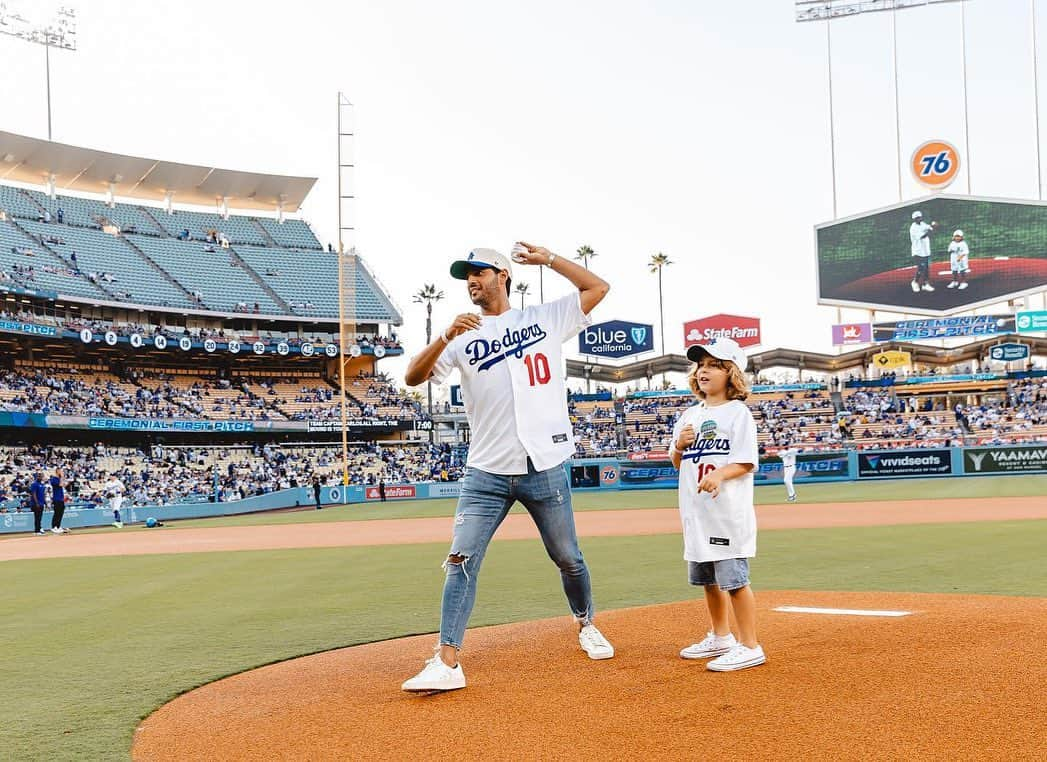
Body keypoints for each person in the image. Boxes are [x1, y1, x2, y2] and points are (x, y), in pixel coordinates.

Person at [400, 242, 613, 693]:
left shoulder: (542, 318)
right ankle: (448, 660)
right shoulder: (462, 333)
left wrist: (549, 259)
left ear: (503, 275)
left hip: (545, 464)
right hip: (486, 471)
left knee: (568, 558)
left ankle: (585, 622)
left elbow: (598, 287)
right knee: (460, 559)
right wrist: (442, 337)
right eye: (467, 276)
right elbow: (413, 379)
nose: (472, 281)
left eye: (479, 272)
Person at [671, 337, 765, 672]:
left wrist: (720, 474)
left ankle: (750, 644)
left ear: (731, 373)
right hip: (696, 514)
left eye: (713, 365)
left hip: (725, 513)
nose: (703, 371)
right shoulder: (689, 414)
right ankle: (721, 636)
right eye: (700, 366)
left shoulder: (738, 414)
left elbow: (746, 461)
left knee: (733, 579)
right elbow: (676, 462)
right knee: (708, 579)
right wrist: (679, 447)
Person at [909, 211, 939, 293]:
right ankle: (915, 282)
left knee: (926, 268)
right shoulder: (913, 228)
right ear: (914, 219)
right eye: (917, 218)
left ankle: (925, 284)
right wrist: (931, 228)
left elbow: (929, 228)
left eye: (920, 217)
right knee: (921, 267)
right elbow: (922, 236)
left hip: (925, 250)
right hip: (918, 251)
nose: (919, 219)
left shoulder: (923, 224)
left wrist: (934, 226)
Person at [50, 467, 68, 533]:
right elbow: (60, 484)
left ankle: (58, 526)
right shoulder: (54, 479)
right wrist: (62, 477)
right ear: (57, 471)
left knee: (61, 513)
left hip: (61, 498)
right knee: (57, 513)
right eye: (60, 471)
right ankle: (54, 527)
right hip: (56, 498)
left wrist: (62, 478)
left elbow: (64, 484)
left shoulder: (59, 479)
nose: (61, 472)